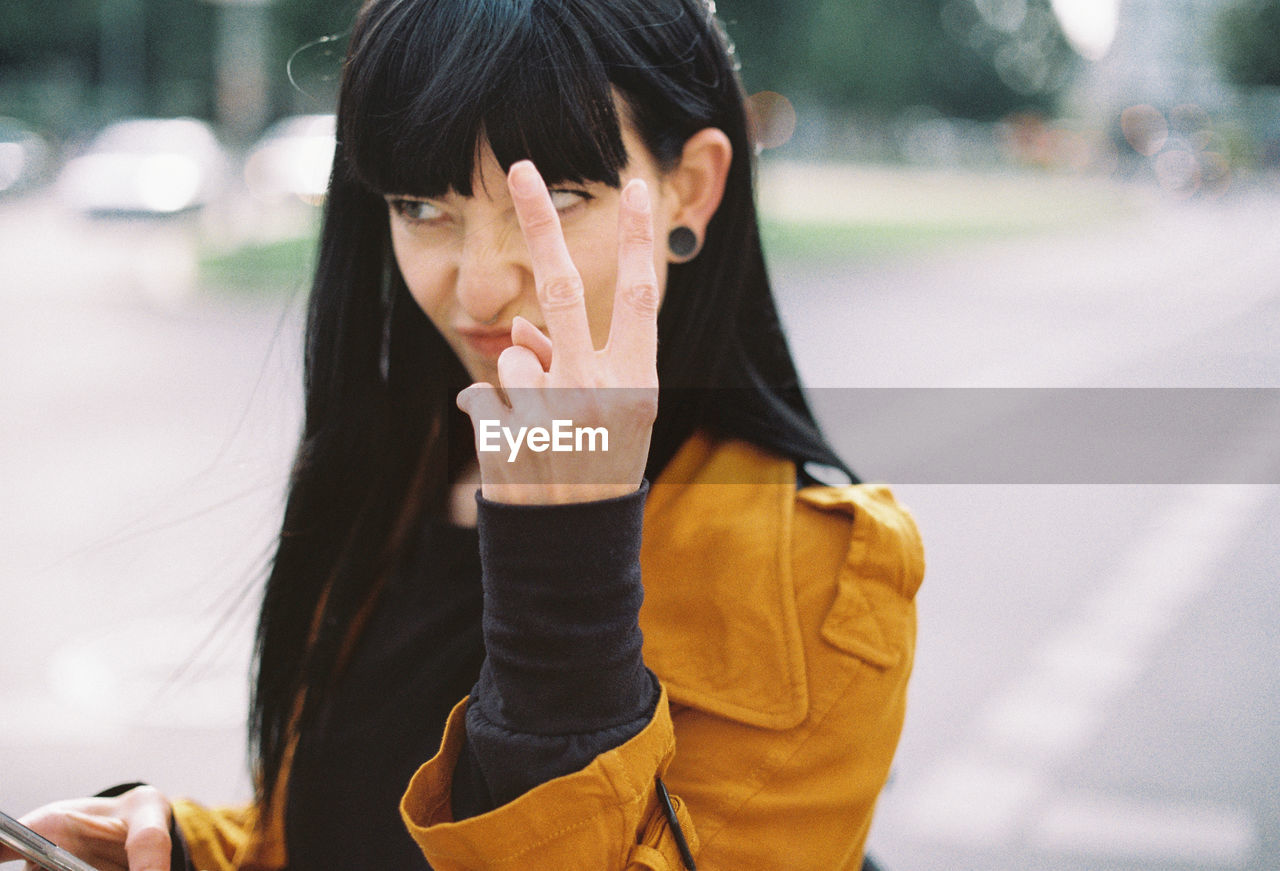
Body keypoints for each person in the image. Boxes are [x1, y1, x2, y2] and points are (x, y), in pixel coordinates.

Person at [1, 1, 923, 869]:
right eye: (421, 207)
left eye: (558, 197)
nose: (478, 286)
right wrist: (190, 846)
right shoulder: (413, 464)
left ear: (690, 187)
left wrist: (566, 575)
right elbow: (344, 828)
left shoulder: (822, 572)